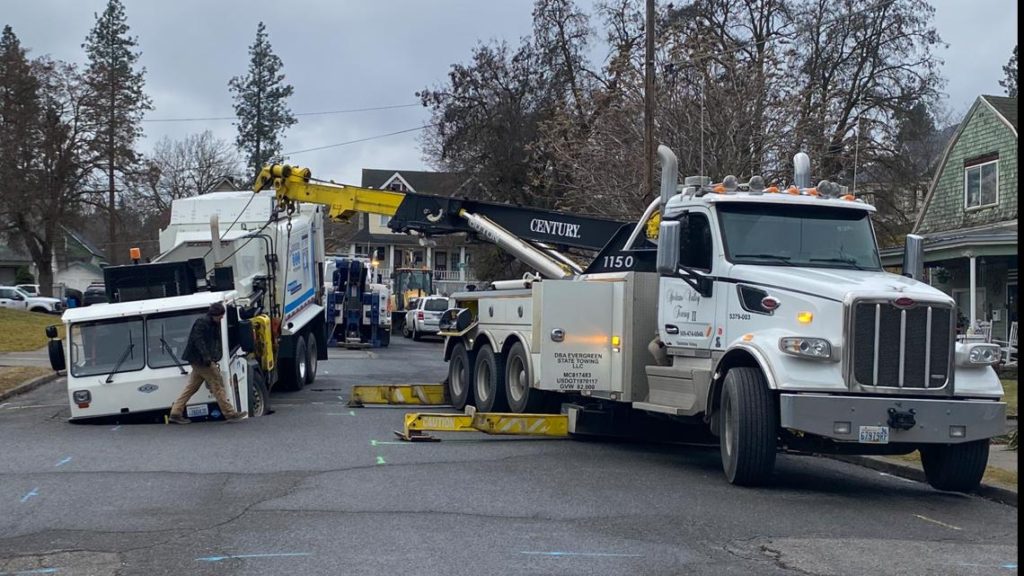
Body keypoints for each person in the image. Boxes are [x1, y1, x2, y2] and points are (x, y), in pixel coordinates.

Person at [168, 302, 247, 424]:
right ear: (214, 314)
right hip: (201, 360)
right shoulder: (203, 322)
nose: (222, 318)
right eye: (220, 315)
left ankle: (176, 412)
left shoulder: (211, 322)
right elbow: (198, 340)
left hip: (198, 360)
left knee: (191, 387)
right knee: (217, 384)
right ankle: (229, 413)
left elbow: (210, 341)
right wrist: (207, 357)